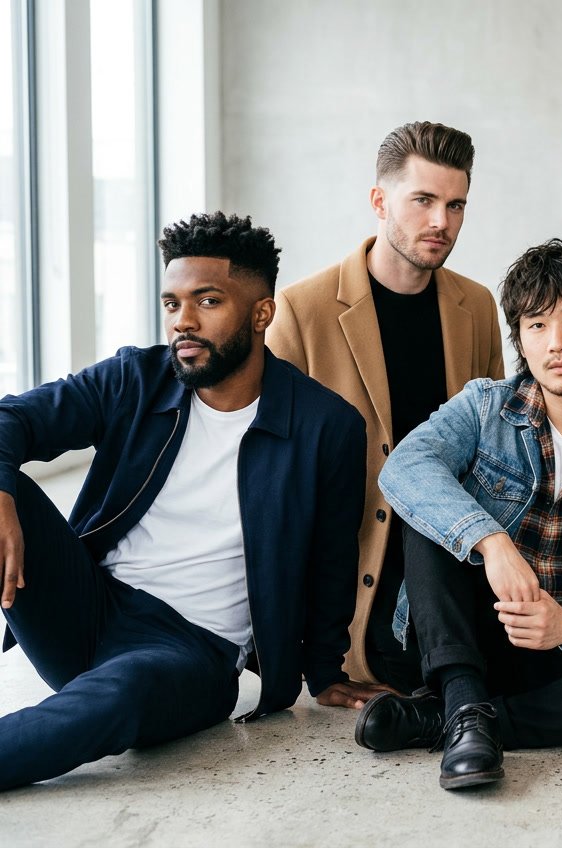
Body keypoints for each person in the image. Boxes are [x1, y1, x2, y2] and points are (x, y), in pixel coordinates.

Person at [0, 213, 366, 790]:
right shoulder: (137, 379)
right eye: (171, 304)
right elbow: (11, 418)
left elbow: (332, 558)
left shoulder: (326, 427)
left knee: (120, 694)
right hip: (85, 606)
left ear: (261, 313)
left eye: (208, 301)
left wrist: (325, 670)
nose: (183, 322)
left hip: (189, 650)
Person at [359, 239, 562, 791]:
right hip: (465, 640)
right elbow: (404, 469)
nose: (556, 342)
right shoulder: (485, 405)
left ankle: (457, 721)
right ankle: (466, 700)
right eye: (536, 325)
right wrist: (492, 543)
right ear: (520, 339)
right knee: (431, 516)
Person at [268, 121, 503, 692]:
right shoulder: (302, 310)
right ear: (379, 201)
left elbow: (498, 449)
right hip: (349, 569)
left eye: (455, 205)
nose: (441, 222)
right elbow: (270, 482)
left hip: (451, 552)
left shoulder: (475, 305)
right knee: (414, 673)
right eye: (422, 200)